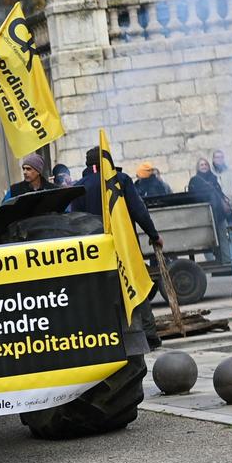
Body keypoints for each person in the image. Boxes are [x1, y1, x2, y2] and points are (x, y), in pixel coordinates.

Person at [76, 147, 163, 348]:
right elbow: (138, 210)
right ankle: (149, 333)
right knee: (136, 285)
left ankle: (112, 335)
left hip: (95, 250)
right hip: (125, 245)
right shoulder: (121, 180)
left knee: (105, 292)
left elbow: (76, 220)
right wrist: (154, 235)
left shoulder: (80, 187)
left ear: (88, 164)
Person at [187, 158, 230, 262]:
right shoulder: (194, 180)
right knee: (206, 239)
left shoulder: (214, 178)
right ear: (198, 167)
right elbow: (192, 197)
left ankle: (227, 260)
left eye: (205, 164)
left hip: (219, 213)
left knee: (223, 236)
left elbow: (219, 193)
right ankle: (211, 260)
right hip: (204, 214)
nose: (204, 166)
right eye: (201, 165)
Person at [211, 150, 232, 227]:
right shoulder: (210, 174)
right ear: (213, 159)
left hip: (229, 205)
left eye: (221, 157)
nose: (219, 159)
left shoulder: (231, 172)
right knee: (219, 229)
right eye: (217, 157)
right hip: (216, 207)